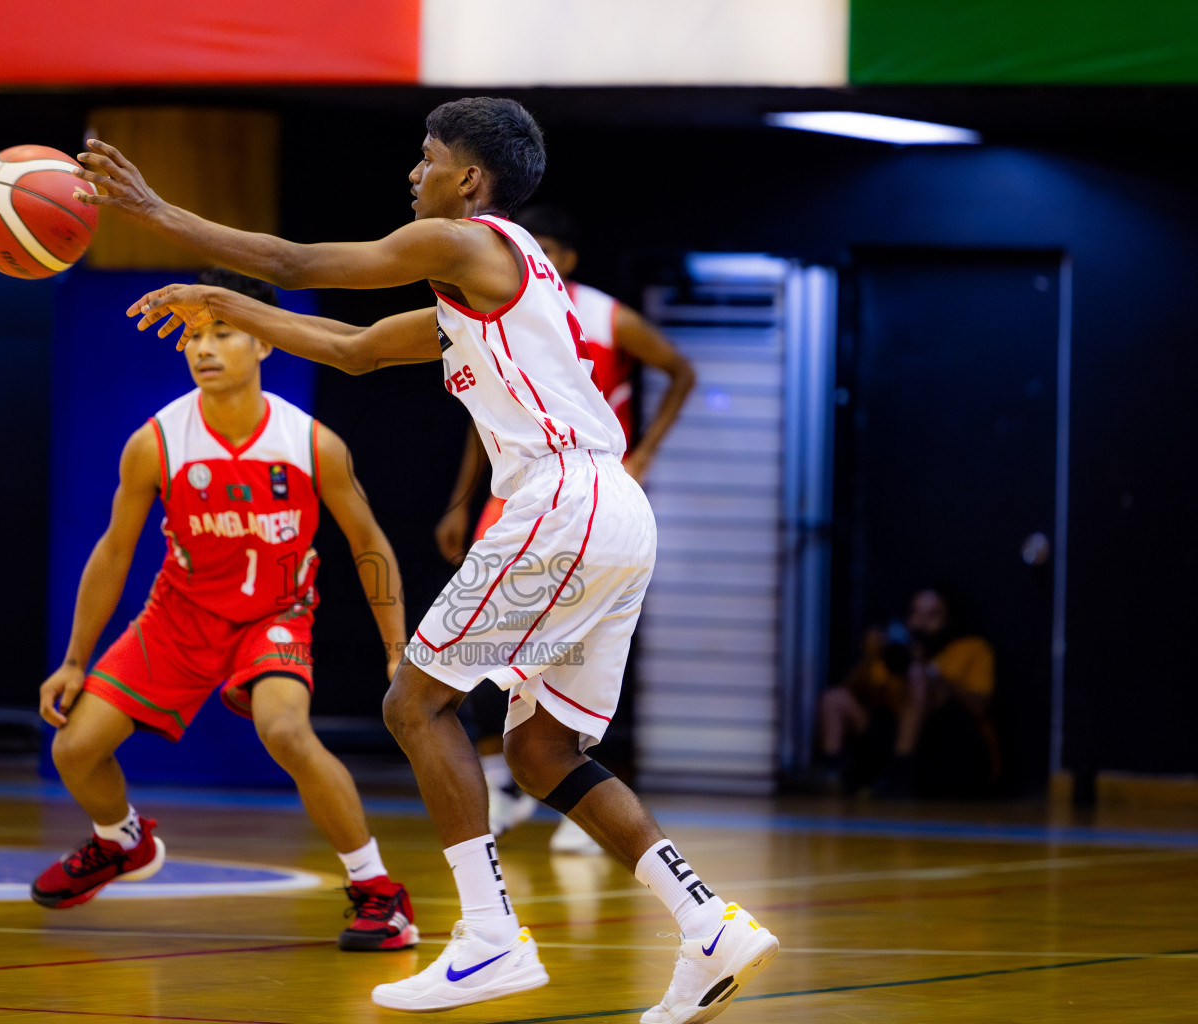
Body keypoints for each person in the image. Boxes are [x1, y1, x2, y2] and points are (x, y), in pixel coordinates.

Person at [73, 96, 777, 1022]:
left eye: (428, 156)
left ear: (470, 182)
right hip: (613, 514)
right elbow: (355, 349)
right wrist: (229, 305)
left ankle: (487, 938)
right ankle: (708, 922)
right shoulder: (492, 287)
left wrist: (160, 215)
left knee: (414, 698)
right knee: (538, 749)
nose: (414, 173)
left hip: (564, 500)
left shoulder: (468, 241)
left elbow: (300, 263)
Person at [34, 269, 418, 953]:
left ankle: (379, 892)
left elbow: (369, 543)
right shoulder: (156, 442)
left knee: (286, 732)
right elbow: (113, 554)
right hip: (176, 618)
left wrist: (397, 648)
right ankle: (121, 842)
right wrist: (73, 661)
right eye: (193, 334)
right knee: (74, 748)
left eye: (223, 332)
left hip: (273, 614)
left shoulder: (311, 444)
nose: (203, 348)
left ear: (266, 341)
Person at [433, 206, 697, 853]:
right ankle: (507, 782)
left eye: (546, 249)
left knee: (584, 647)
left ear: (567, 259)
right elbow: (484, 413)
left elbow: (681, 370)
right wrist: (461, 503)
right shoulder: (505, 314)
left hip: (586, 491)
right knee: (475, 652)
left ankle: (577, 785)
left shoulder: (606, 315)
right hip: (519, 491)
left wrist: (647, 452)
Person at [819, 587, 998, 797]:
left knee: (918, 675)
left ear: (950, 620)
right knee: (834, 698)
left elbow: (981, 706)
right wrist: (872, 656)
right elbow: (851, 690)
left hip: (952, 749)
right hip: (896, 744)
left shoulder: (972, 649)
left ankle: (900, 776)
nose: (922, 622)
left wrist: (933, 675)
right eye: (916, 613)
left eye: (933, 614)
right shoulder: (896, 654)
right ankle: (835, 778)